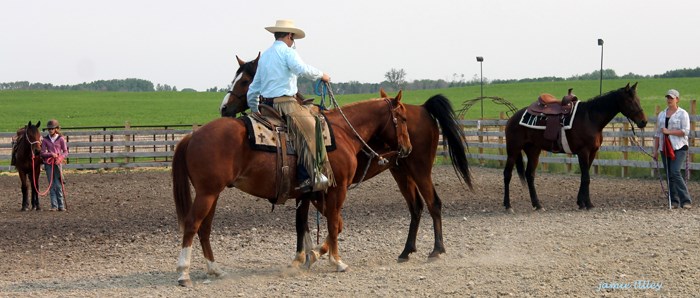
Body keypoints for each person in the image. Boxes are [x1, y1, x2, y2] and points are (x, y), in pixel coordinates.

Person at [246, 19, 334, 193]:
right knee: (313, 126)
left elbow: (254, 88)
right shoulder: (287, 53)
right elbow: (301, 69)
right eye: (293, 38)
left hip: (266, 106)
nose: (293, 42)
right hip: (285, 104)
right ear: (289, 36)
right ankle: (309, 175)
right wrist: (321, 75)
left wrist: (255, 108)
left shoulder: (265, 56)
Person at [653, 89, 692, 209]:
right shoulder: (661, 115)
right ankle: (673, 201)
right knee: (669, 174)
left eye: (671, 98)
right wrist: (655, 150)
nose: (669, 100)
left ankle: (686, 200)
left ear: (677, 99)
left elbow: (685, 132)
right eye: (668, 98)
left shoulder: (683, 114)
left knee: (675, 171)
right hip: (664, 147)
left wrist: (669, 131)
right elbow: (658, 134)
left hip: (679, 147)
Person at [40, 119, 69, 211]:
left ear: (56, 129)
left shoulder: (60, 139)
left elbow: (65, 151)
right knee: (51, 184)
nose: (50, 130)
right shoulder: (45, 140)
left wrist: (60, 158)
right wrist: (51, 154)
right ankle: (54, 205)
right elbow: (42, 153)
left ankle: (61, 205)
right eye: (49, 129)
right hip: (49, 163)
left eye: (52, 129)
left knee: (59, 184)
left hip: (57, 163)